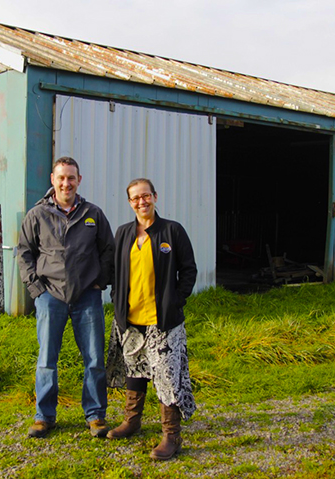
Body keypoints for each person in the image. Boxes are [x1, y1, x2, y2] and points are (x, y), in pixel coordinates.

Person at [17, 156, 114, 439]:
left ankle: (95, 415)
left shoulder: (92, 213)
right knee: (47, 358)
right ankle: (44, 416)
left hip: (87, 297)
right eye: (61, 177)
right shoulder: (37, 215)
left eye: (71, 178)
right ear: (52, 179)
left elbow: (108, 250)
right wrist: (36, 290)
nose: (66, 183)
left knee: (94, 358)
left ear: (79, 180)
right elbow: (24, 253)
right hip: (50, 296)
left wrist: (100, 282)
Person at [106, 178, 197, 460]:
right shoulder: (122, 233)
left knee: (167, 377)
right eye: (135, 198)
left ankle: (171, 436)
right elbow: (113, 270)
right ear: (130, 202)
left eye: (146, 196)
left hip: (163, 322)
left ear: (155, 197)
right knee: (134, 371)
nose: (141, 202)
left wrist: (175, 300)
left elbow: (189, 270)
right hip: (131, 320)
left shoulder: (172, 230)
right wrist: (116, 300)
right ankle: (132, 422)